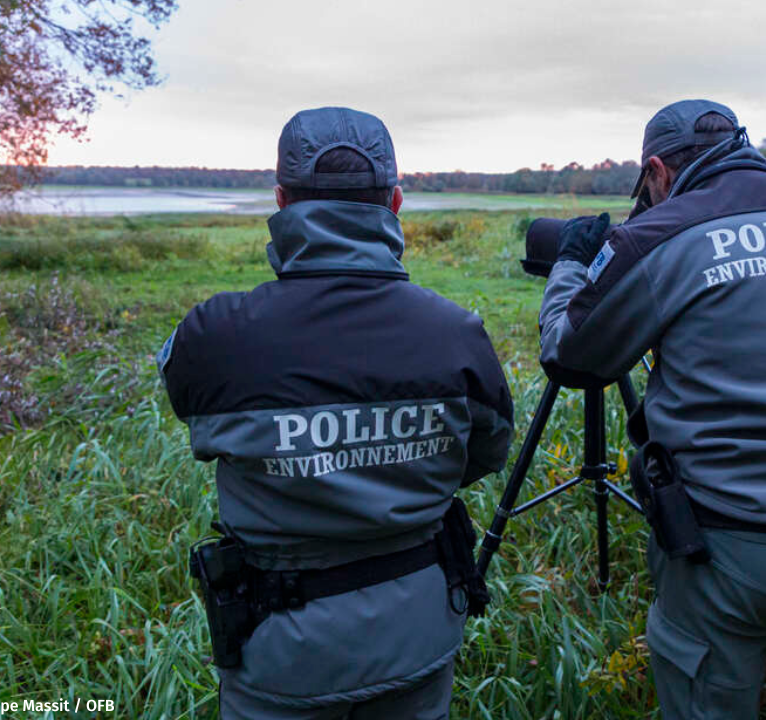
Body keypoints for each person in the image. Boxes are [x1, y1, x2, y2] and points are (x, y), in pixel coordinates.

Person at [539, 99, 766, 719]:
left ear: (656, 171)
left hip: (724, 542)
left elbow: (573, 358)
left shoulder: (660, 235)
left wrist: (572, 266)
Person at [158, 106, 514, 719]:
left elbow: (185, 406)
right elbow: (485, 453)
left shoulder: (217, 336)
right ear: (395, 203)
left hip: (282, 655)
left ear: (280, 200)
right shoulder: (457, 335)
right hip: (418, 637)